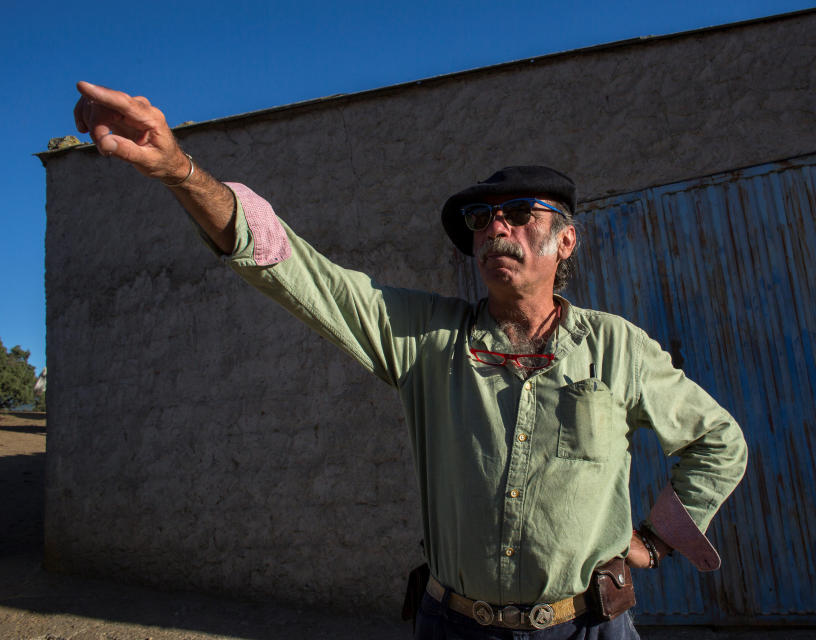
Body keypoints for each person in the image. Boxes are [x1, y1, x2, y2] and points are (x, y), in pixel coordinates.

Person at [73, 81, 748, 639]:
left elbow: (719, 443)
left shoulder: (618, 347)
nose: (496, 229)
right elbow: (304, 275)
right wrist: (183, 173)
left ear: (566, 240)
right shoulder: (428, 339)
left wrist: (654, 541)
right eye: (482, 222)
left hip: (586, 630)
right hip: (451, 625)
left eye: (518, 213)